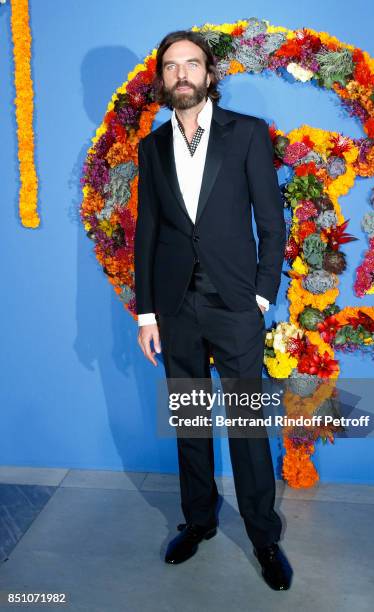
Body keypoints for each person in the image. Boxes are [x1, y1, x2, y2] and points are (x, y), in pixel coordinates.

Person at [134, 30, 291, 591]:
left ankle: (263, 536)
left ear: (209, 74)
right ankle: (197, 521)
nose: (182, 74)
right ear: (162, 78)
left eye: (192, 64)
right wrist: (146, 314)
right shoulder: (150, 148)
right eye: (172, 66)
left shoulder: (246, 134)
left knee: (248, 425)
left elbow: (272, 223)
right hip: (175, 308)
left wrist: (261, 293)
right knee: (191, 421)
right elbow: (148, 233)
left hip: (235, 305)